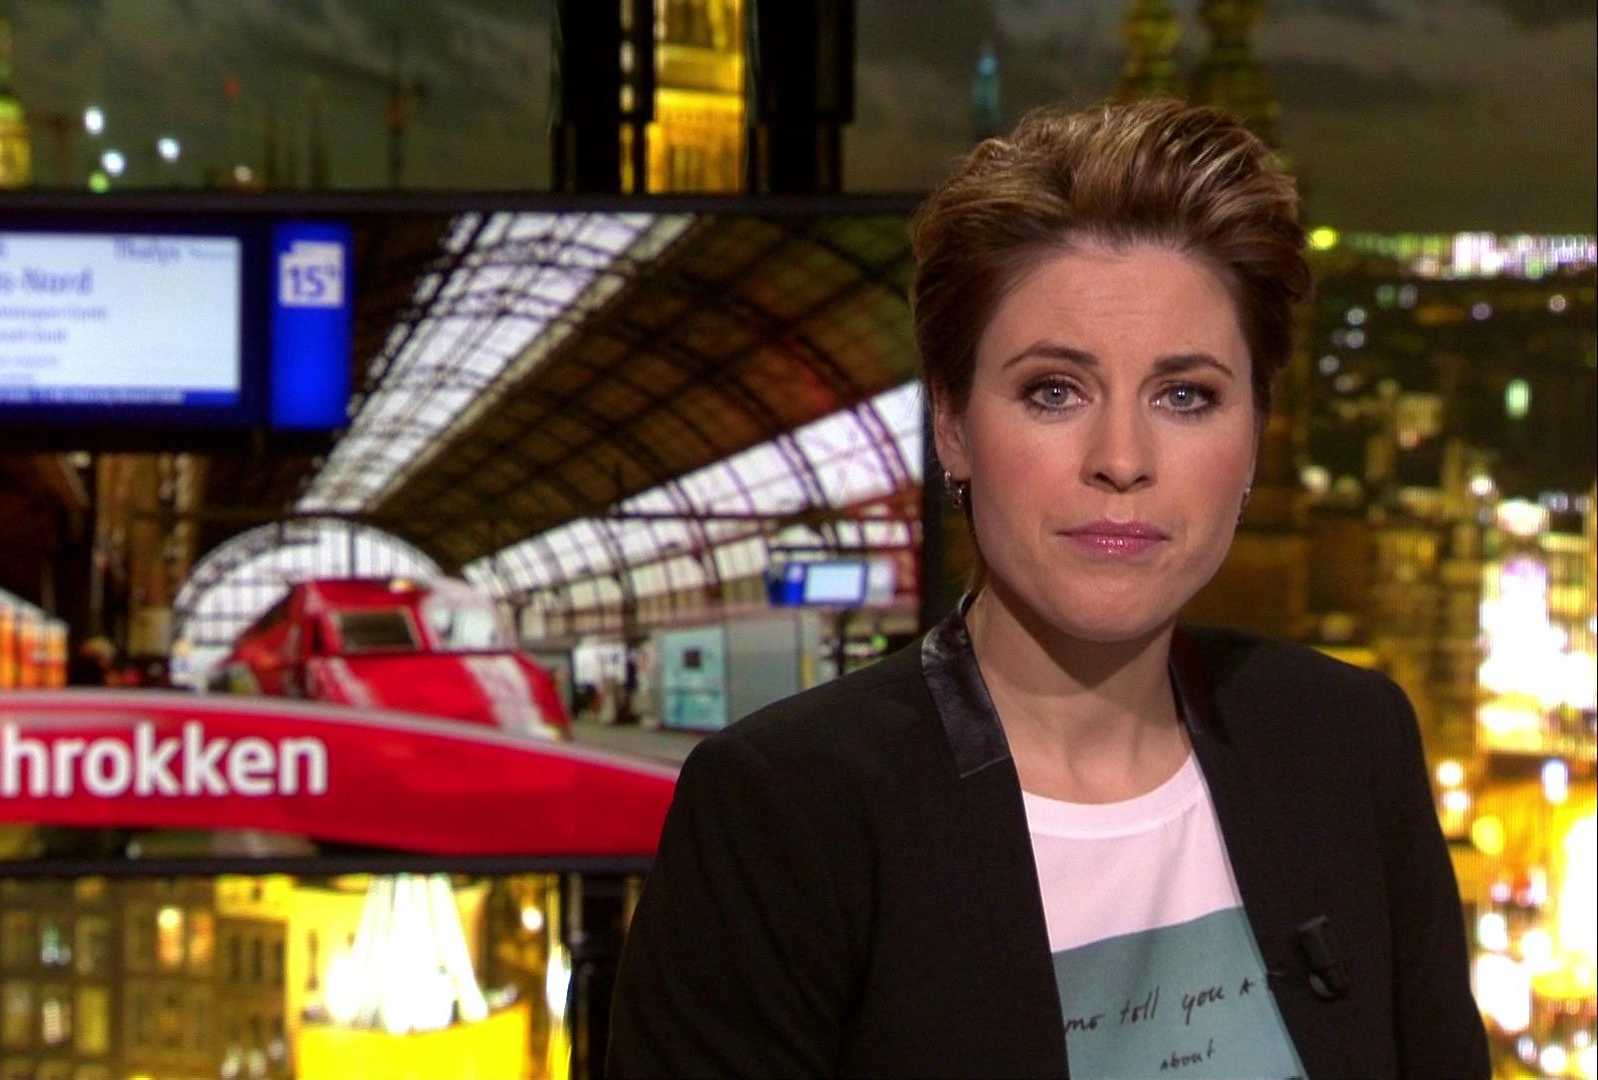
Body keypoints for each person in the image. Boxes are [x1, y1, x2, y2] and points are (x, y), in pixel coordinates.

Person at [606, 99, 1489, 1078]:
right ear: (951, 426)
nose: (1122, 458)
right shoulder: (784, 815)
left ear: (1256, 436)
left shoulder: (1350, 747)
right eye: (1054, 391)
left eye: (1186, 395)